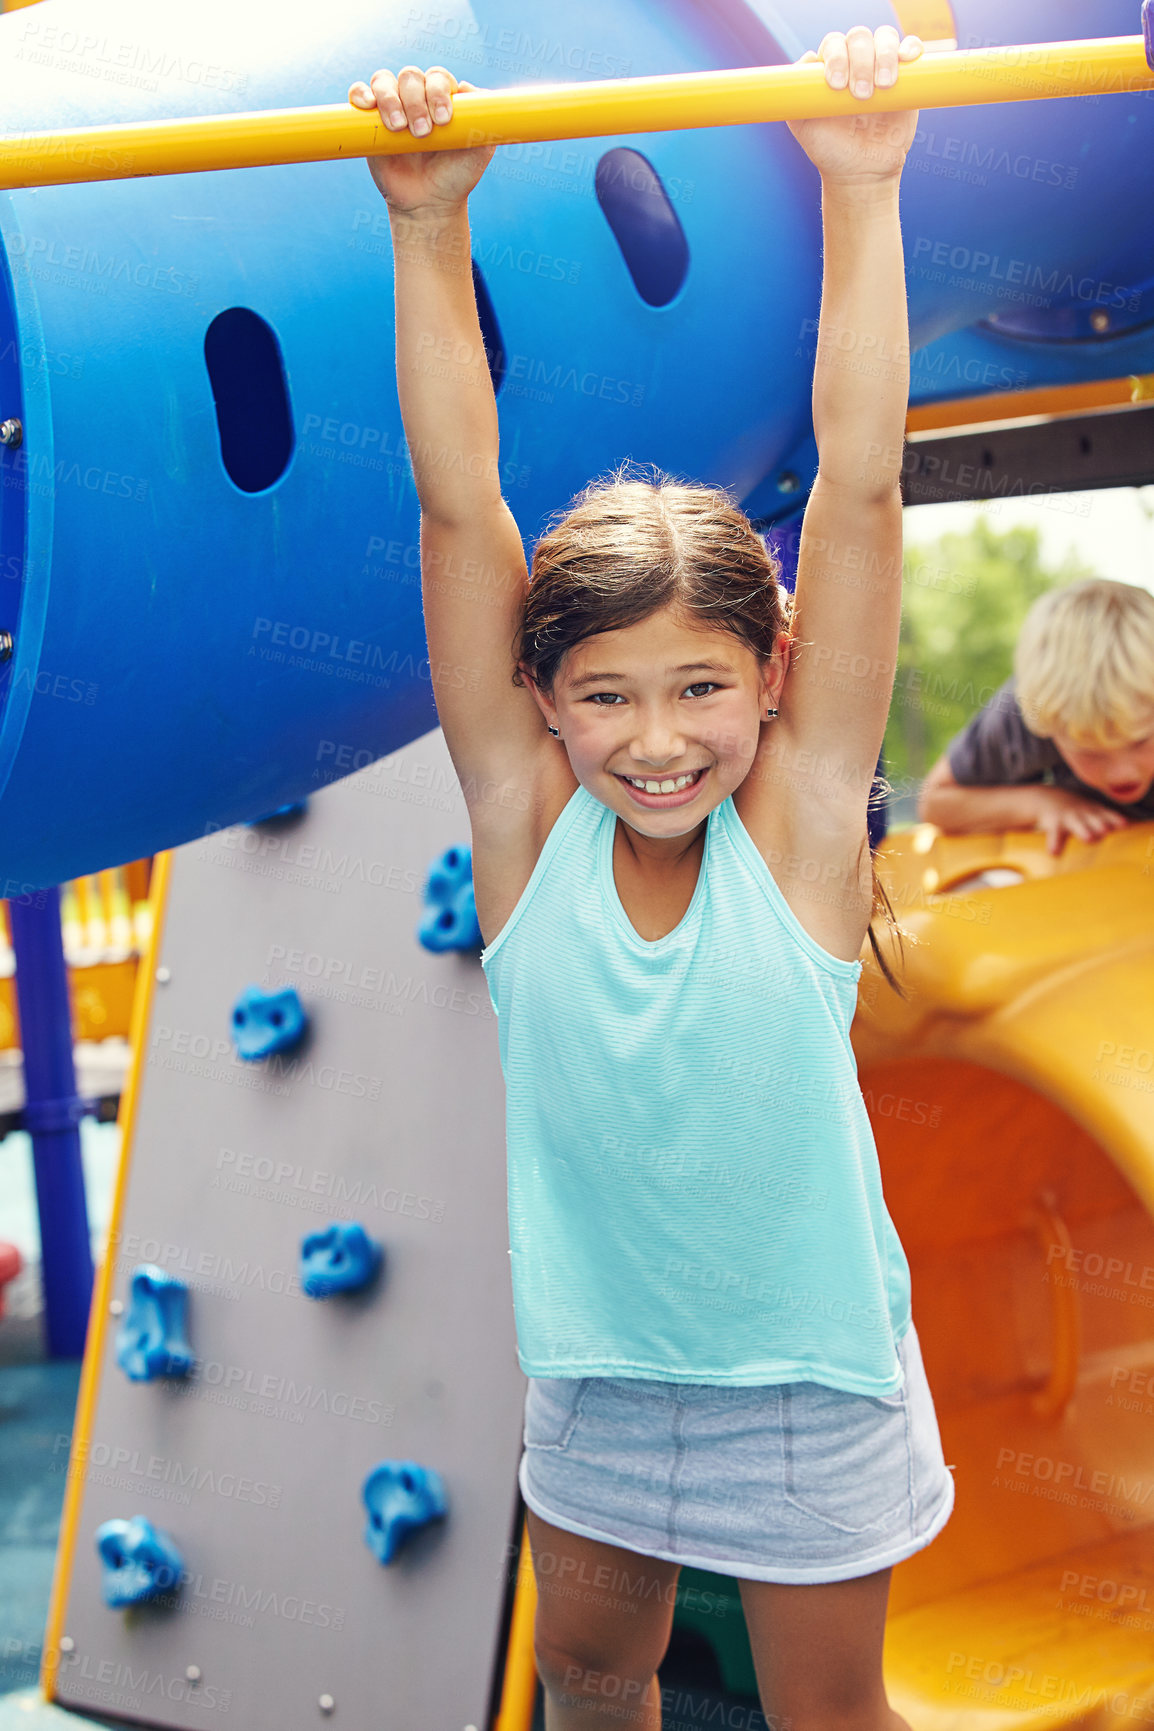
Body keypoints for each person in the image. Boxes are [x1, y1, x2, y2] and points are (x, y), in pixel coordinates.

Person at [350, 29, 951, 1731]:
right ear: (540, 706)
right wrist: (423, 224)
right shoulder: (525, 829)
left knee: (828, 1717)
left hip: (806, 1381)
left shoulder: (799, 826)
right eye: (602, 697)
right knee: (584, 1676)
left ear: (770, 682)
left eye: (696, 688)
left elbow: (859, 480)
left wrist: (858, 182)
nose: (654, 739)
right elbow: (459, 512)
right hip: (602, 1377)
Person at [918, 578, 1154, 853]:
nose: (1121, 773)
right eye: (1090, 751)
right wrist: (1041, 803)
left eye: (1141, 741)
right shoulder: (1038, 708)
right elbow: (935, 803)